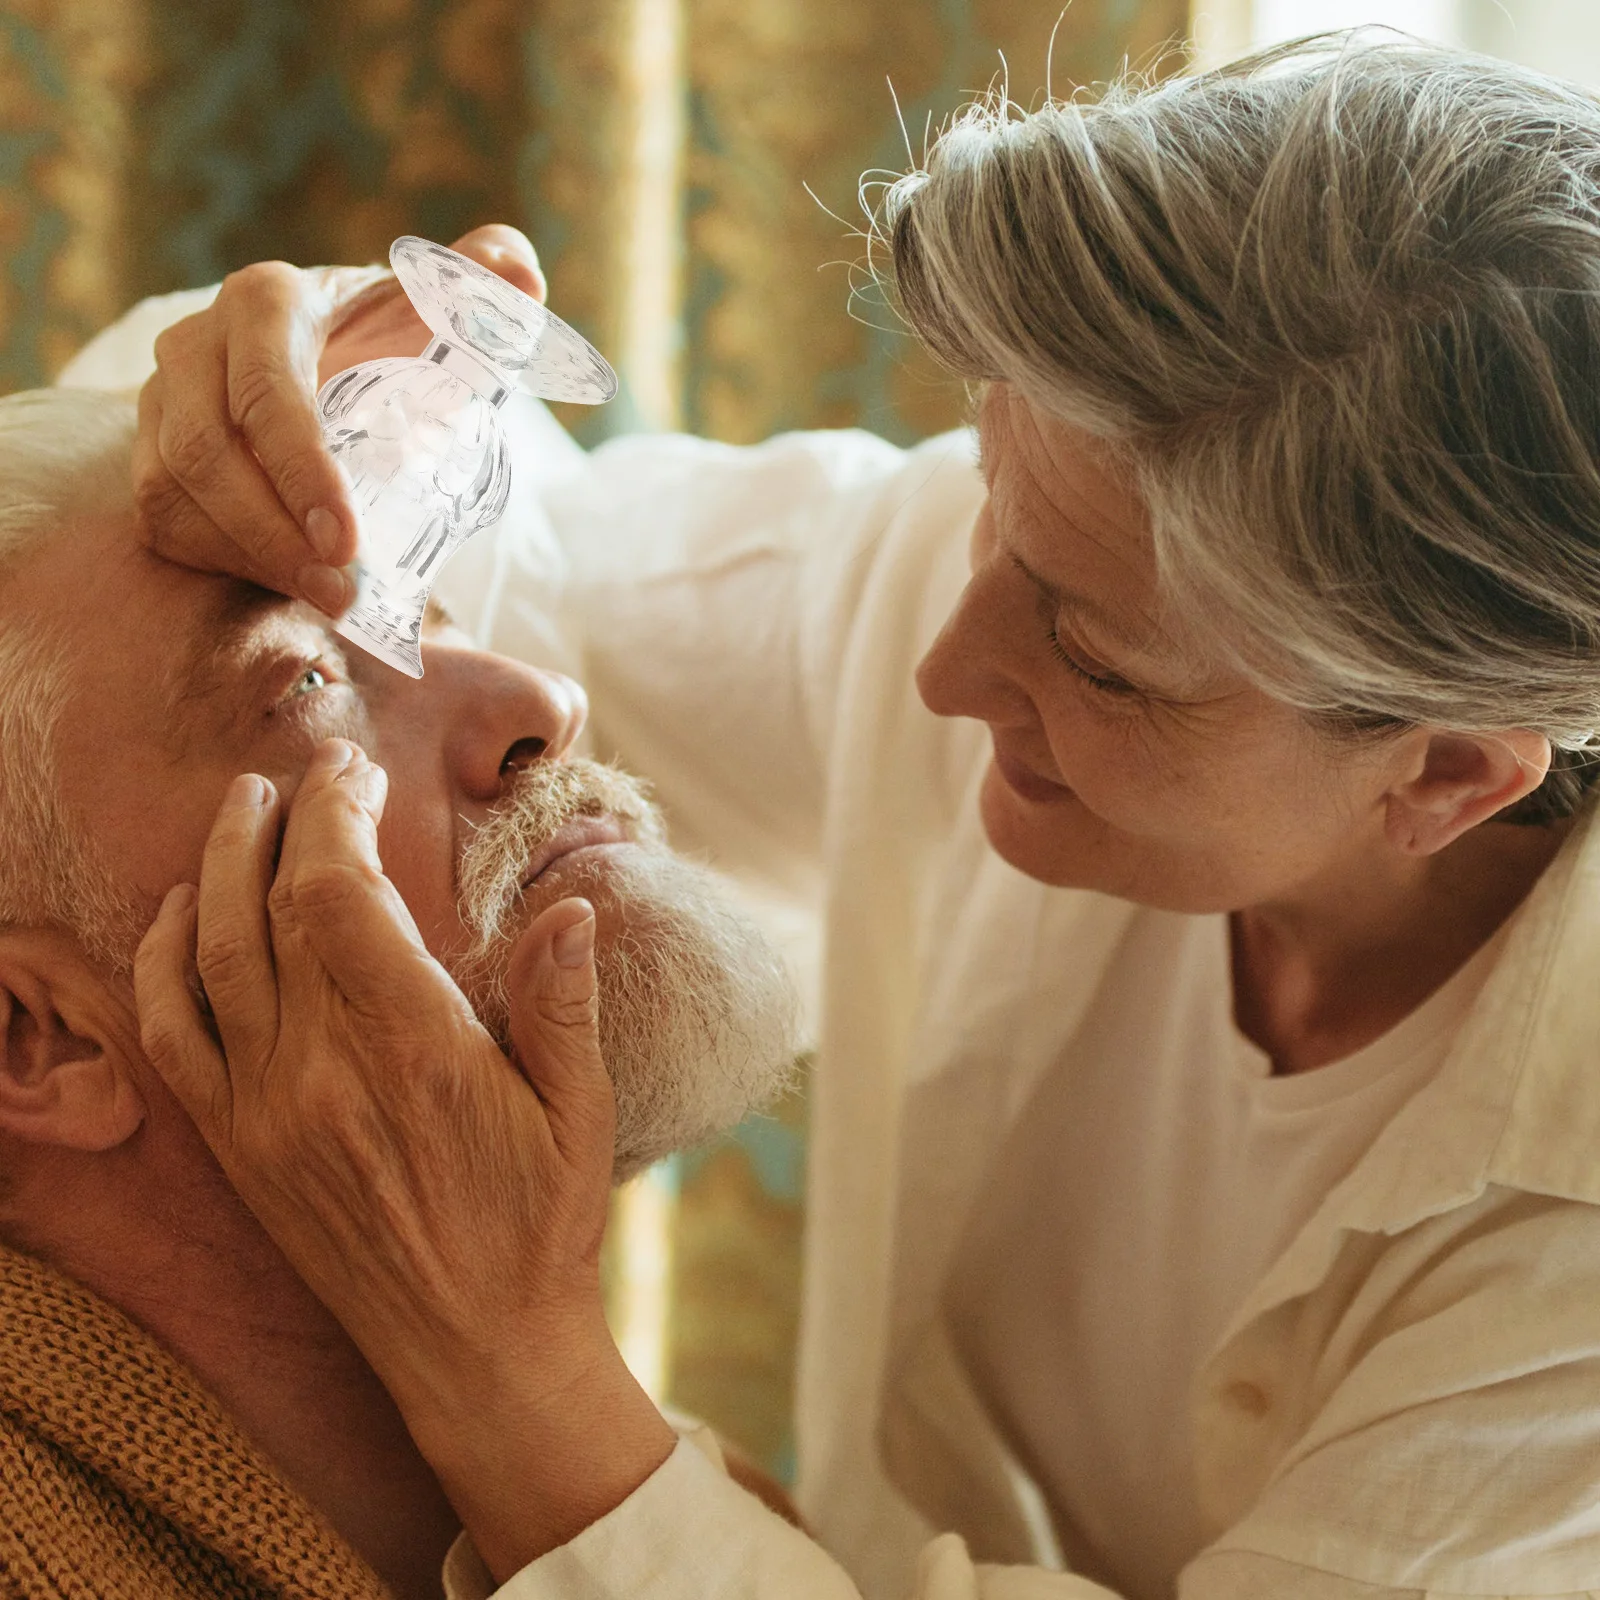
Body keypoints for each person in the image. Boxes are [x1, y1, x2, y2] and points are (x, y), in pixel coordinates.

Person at [88, 32, 1600, 1600]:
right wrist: (309, 393)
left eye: (1093, 662)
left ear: (1445, 774)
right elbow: (524, 572)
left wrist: (507, 1359)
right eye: (990, 516)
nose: (946, 669)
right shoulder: (1037, 565)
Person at [0, 384, 800, 1598]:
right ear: (36, 1038)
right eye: (305, 685)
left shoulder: (695, 1499)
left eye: (428, 612)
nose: (541, 701)